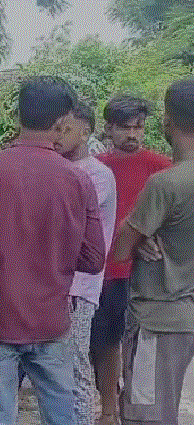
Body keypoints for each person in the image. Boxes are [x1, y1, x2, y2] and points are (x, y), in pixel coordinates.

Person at [0, 76, 106, 425]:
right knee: (61, 413)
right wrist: (56, 256)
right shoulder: (78, 180)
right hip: (50, 317)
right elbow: (94, 259)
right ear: (62, 122)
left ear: (18, 115)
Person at [109, 78, 194, 425]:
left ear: (168, 121)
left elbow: (120, 249)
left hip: (158, 319)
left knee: (148, 416)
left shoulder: (166, 183)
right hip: (185, 316)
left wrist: (139, 233)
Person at [92, 95, 172, 424]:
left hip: (147, 272)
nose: (132, 134)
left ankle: (134, 410)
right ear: (109, 128)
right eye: (125, 127)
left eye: (138, 127)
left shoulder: (161, 167)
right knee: (106, 342)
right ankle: (108, 410)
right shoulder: (95, 168)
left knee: (141, 346)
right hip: (106, 271)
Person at [53, 102, 118, 425]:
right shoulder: (59, 169)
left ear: (86, 132)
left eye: (66, 129)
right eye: (56, 128)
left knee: (75, 367)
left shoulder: (97, 175)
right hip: (54, 283)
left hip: (78, 287)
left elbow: (65, 223)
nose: (58, 135)